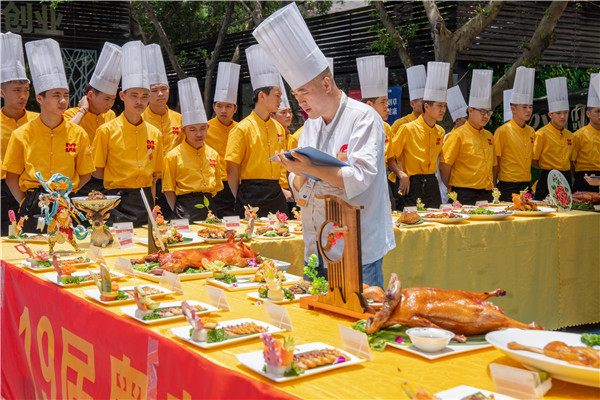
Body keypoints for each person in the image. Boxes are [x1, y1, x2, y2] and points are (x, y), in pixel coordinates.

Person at [255, 2, 395, 287]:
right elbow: (299, 185)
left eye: (304, 92)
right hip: (316, 244)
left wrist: (310, 168)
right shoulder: (311, 125)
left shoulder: (363, 117)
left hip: (357, 246)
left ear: (327, 84)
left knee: (359, 313)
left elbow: (360, 177)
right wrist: (298, 171)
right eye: (296, 95)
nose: (300, 102)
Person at [3, 39, 94, 233]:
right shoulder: (21, 134)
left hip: (66, 204)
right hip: (33, 202)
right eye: (56, 95)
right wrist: (26, 202)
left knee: (67, 246)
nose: (62, 100)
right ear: (39, 98)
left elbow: (86, 173)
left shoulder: (78, 133)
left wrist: (67, 193)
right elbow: (11, 177)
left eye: (66, 95)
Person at [92, 41, 163, 227]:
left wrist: (153, 208)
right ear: (122, 96)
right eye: (134, 95)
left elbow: (154, 176)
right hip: (117, 202)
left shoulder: (155, 133)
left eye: (144, 96)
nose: (140, 101)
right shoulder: (106, 131)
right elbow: (97, 172)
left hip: (146, 200)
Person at [225, 44, 288, 218]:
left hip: (276, 193)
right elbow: (231, 168)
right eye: (277, 95)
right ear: (262, 96)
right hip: (250, 194)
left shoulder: (279, 128)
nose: (280, 100)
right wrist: (239, 197)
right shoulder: (242, 128)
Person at [388, 61, 450, 209]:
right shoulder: (406, 128)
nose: (443, 110)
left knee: (436, 219)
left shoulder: (440, 132)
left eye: (444, 106)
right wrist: (401, 174)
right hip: (412, 183)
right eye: (439, 106)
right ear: (426, 107)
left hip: (432, 183)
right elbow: (389, 156)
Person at [63, 42, 121, 194]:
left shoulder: (111, 115)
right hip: (80, 178)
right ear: (90, 95)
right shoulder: (72, 114)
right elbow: (64, 134)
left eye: (113, 99)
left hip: (106, 176)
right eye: (106, 99)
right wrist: (83, 110)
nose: (110, 104)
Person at [163, 77, 223, 220]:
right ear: (184, 131)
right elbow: (168, 190)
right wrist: (178, 213)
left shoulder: (213, 154)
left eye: (202, 128)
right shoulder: (172, 156)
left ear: (208, 127)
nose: (199, 134)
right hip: (184, 209)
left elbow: (216, 188)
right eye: (193, 129)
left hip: (210, 209)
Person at [0, 32, 39, 235]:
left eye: (26, 90)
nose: (23, 96)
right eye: (16, 90)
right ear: (2, 92)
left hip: (31, 190)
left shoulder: (38, 120)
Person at [440, 70, 496, 204]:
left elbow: (493, 165)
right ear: (470, 111)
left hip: (486, 193)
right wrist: (452, 189)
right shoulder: (457, 135)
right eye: (482, 112)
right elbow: (444, 166)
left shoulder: (489, 136)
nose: (486, 116)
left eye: (488, 112)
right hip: (463, 194)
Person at [142, 44, 182, 220]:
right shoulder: (140, 120)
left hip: (174, 181)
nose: (160, 94)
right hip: (150, 181)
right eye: (154, 90)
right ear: (147, 94)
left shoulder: (179, 119)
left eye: (163, 89)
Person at [356, 56, 396, 208]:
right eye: (383, 102)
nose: (387, 106)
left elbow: (389, 158)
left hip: (383, 180)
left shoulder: (386, 127)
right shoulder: (356, 127)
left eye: (387, 101)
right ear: (369, 104)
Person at [494, 66, 536, 202]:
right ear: (513, 108)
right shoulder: (502, 131)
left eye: (530, 107)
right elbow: (495, 162)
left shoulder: (531, 131)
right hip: (507, 186)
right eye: (524, 107)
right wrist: (493, 186)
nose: (528, 110)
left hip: (526, 185)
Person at [206, 62, 240, 218]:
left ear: (235, 108)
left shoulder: (242, 129)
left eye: (228, 106)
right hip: (215, 186)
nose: (223, 110)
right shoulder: (204, 129)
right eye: (219, 106)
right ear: (214, 107)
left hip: (238, 184)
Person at [532, 77, 573, 200]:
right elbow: (534, 160)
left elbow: (572, 160)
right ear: (550, 115)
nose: (562, 116)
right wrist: (548, 168)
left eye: (565, 113)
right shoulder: (541, 134)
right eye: (558, 113)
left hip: (566, 178)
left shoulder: (570, 136)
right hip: (547, 178)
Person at [571, 73, 600, 193]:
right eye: (597, 111)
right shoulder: (578, 135)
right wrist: (579, 177)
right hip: (584, 179)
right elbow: (570, 161)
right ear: (588, 114)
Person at [271, 75, 295, 213]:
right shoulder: (269, 139)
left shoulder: (292, 138)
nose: (288, 116)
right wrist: (281, 190)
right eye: (283, 112)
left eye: (290, 112)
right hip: (276, 191)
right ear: (272, 116)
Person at [390, 65, 426, 136]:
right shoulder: (401, 124)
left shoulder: (431, 124)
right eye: (422, 102)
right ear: (412, 104)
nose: (426, 105)